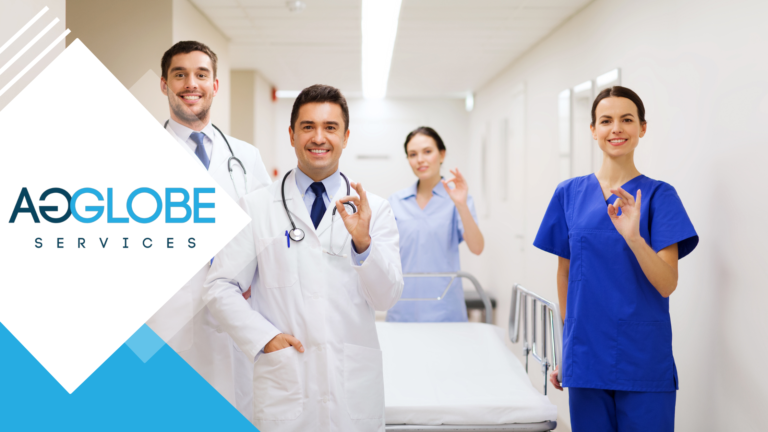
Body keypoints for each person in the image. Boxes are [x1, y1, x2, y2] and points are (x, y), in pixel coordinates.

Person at [203, 84, 404, 431]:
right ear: (292, 134)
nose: (318, 137)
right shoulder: (258, 206)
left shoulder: (377, 210)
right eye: (308, 126)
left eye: (330, 127)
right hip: (287, 379)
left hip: (350, 385)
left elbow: (387, 298)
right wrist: (264, 337)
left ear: (346, 136)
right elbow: (220, 286)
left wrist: (363, 244)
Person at [534, 86, 698, 432]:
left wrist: (635, 238)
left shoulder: (659, 196)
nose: (616, 129)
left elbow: (667, 283)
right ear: (593, 130)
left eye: (627, 119)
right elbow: (565, 275)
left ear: (642, 128)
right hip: (586, 355)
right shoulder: (569, 194)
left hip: (643, 357)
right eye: (606, 120)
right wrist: (568, 347)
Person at [145, 40, 271, 417]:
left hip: (235, 312)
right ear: (164, 84)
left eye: (201, 74)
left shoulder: (245, 156)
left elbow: (266, 234)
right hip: (165, 317)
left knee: (234, 409)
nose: (191, 83)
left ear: (215, 85)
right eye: (179, 74)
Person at [386, 127, 484, 322]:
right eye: (413, 154)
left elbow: (477, 247)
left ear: (442, 154)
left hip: (444, 307)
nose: (420, 159)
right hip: (403, 305)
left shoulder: (458, 199)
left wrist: (461, 205)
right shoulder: (396, 201)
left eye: (427, 151)